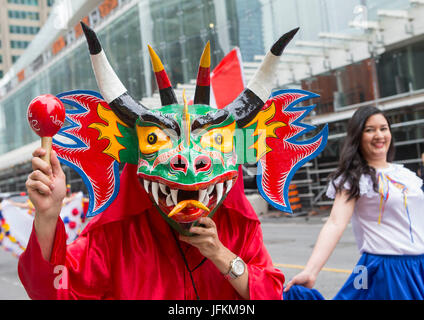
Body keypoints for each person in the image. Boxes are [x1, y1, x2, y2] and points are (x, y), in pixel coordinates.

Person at [17, 23, 305, 300]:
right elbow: (53, 290)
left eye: (216, 141)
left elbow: (270, 293)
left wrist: (221, 254)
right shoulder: (116, 238)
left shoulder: (238, 228)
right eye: (155, 140)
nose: (188, 164)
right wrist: (47, 215)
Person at [284, 106, 424, 300]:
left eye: (383, 128)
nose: (379, 135)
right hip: (384, 269)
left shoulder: (407, 176)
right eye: (370, 130)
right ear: (358, 136)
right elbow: (335, 223)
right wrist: (311, 271)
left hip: (420, 266)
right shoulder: (354, 179)